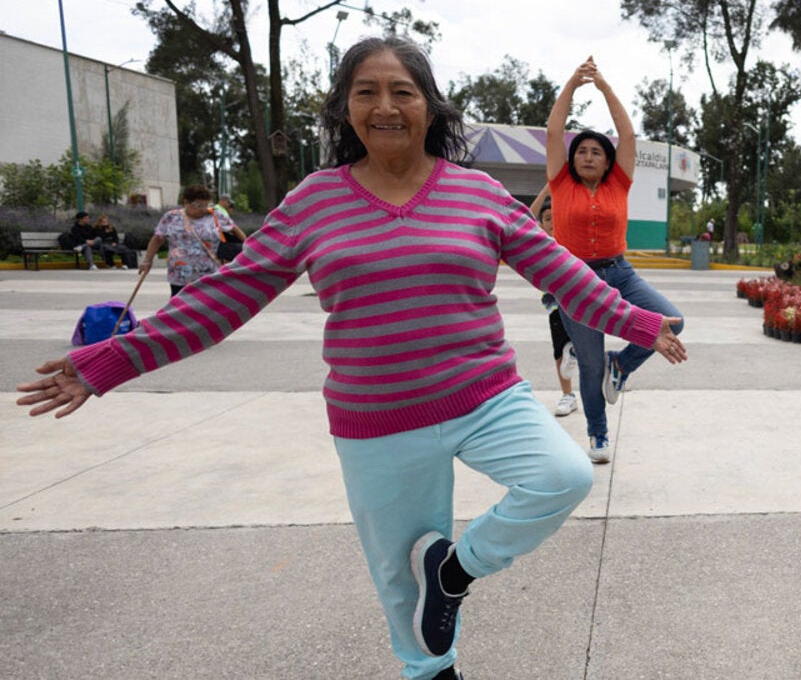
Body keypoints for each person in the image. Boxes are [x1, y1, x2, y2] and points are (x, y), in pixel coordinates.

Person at [15, 35, 686, 680]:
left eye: (403, 91)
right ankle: (430, 671)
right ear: (345, 110)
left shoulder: (478, 194)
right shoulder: (315, 201)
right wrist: (110, 361)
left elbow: (564, 273)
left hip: (488, 398)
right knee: (398, 580)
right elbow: (226, 296)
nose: (386, 106)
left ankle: (454, 571)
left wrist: (641, 323)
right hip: (378, 417)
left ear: (430, 106)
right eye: (367, 92)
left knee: (564, 476)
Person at [546, 56, 685, 464]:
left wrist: (603, 87)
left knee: (673, 320)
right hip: (574, 280)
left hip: (619, 272)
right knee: (589, 365)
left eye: (596, 152)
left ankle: (621, 366)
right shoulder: (560, 182)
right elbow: (555, 131)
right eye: (582, 151)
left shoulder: (619, 183)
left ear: (608, 162)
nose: (588, 157)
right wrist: (572, 82)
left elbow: (626, 135)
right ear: (572, 160)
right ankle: (598, 435)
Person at [530, 186, 580, 417]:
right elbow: (527, 216)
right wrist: (546, 190)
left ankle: (578, 355)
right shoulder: (540, 241)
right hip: (555, 305)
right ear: (541, 224)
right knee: (559, 351)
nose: (552, 222)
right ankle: (568, 395)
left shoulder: (572, 238)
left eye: (556, 218)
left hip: (580, 301)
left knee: (582, 346)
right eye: (547, 219)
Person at [138, 185, 238, 296]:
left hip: (208, 275)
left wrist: (246, 249)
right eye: (199, 205)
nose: (203, 209)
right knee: (179, 309)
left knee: (207, 309)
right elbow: (157, 238)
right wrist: (148, 260)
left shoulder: (215, 215)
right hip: (179, 275)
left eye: (206, 205)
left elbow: (235, 230)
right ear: (186, 202)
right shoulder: (171, 217)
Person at [214, 196, 249, 263]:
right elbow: (234, 228)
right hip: (221, 243)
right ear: (222, 201)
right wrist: (247, 242)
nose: (229, 205)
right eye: (228, 203)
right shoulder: (219, 211)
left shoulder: (218, 209)